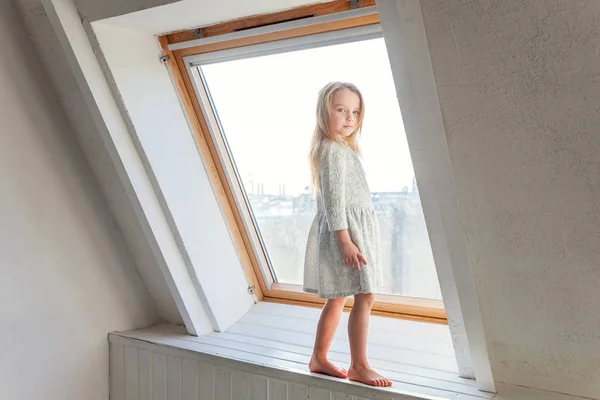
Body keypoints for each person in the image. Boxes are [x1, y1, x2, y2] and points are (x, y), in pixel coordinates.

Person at [303, 82, 392, 387]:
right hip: (345, 232)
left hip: (349, 230)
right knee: (364, 294)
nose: (349, 117)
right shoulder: (331, 150)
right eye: (341, 110)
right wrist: (345, 240)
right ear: (324, 112)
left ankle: (319, 357)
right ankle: (359, 365)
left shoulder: (341, 149)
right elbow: (333, 200)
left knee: (339, 297)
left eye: (355, 111)